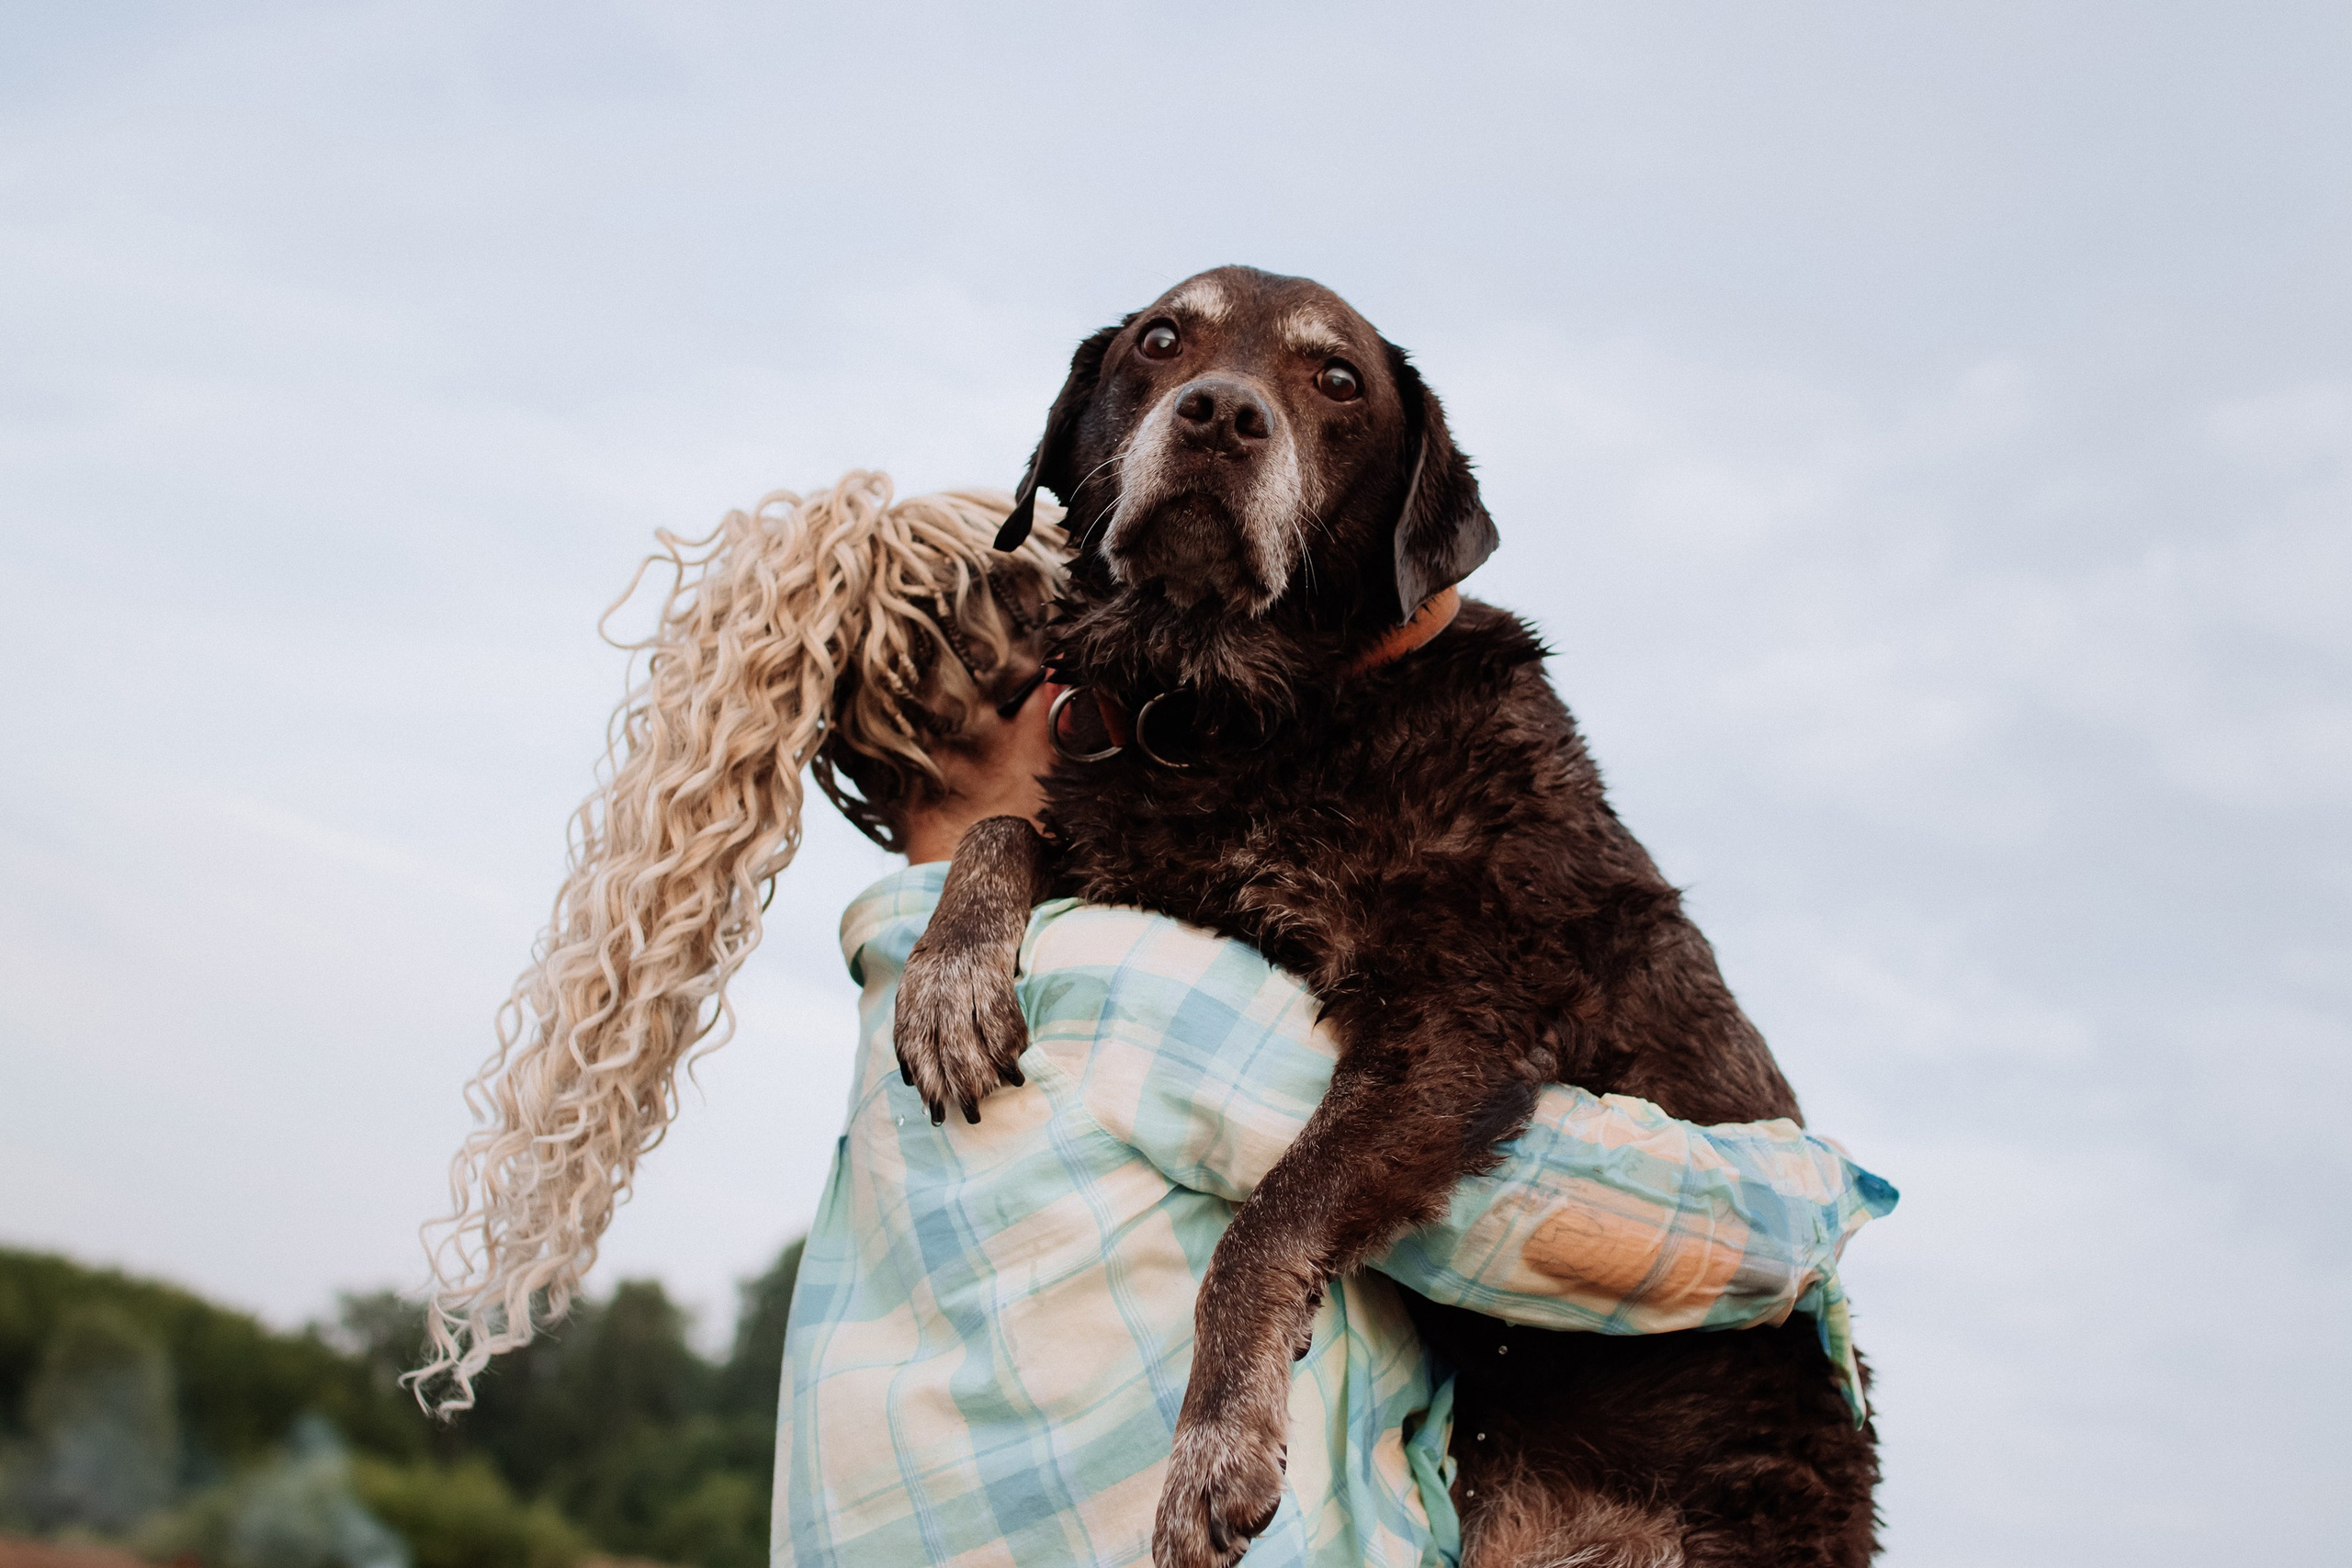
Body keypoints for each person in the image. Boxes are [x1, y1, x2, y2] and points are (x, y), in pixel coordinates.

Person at [415, 474, 1894, 1568]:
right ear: (1066, 712)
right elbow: (1565, 1217)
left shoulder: (878, 1128)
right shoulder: (1125, 992)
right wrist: (1812, 1195)